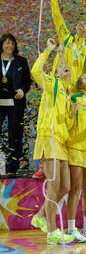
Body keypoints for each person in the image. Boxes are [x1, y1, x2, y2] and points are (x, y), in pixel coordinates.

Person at [30, 38, 76, 245]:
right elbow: (36, 72)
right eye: (63, 69)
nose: (67, 70)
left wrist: (72, 115)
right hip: (49, 138)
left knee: (65, 187)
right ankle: (52, 231)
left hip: (61, 141)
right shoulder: (53, 84)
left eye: (68, 69)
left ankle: (40, 216)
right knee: (54, 186)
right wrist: (49, 51)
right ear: (56, 74)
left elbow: (65, 122)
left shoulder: (66, 93)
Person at [44, 0, 86, 92]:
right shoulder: (66, 37)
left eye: (85, 24)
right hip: (57, 84)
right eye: (80, 22)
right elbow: (57, 16)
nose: (82, 23)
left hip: (73, 91)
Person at [66, 73, 86, 240]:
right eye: (85, 78)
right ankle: (71, 228)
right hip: (76, 147)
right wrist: (71, 114)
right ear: (79, 84)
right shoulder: (75, 97)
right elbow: (68, 121)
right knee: (76, 189)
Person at [0, 33, 31, 175]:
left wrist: (22, 90)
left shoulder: (21, 61)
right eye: (7, 43)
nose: (10, 46)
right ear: (2, 45)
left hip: (16, 103)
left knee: (15, 134)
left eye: (12, 43)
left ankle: (12, 168)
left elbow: (27, 81)